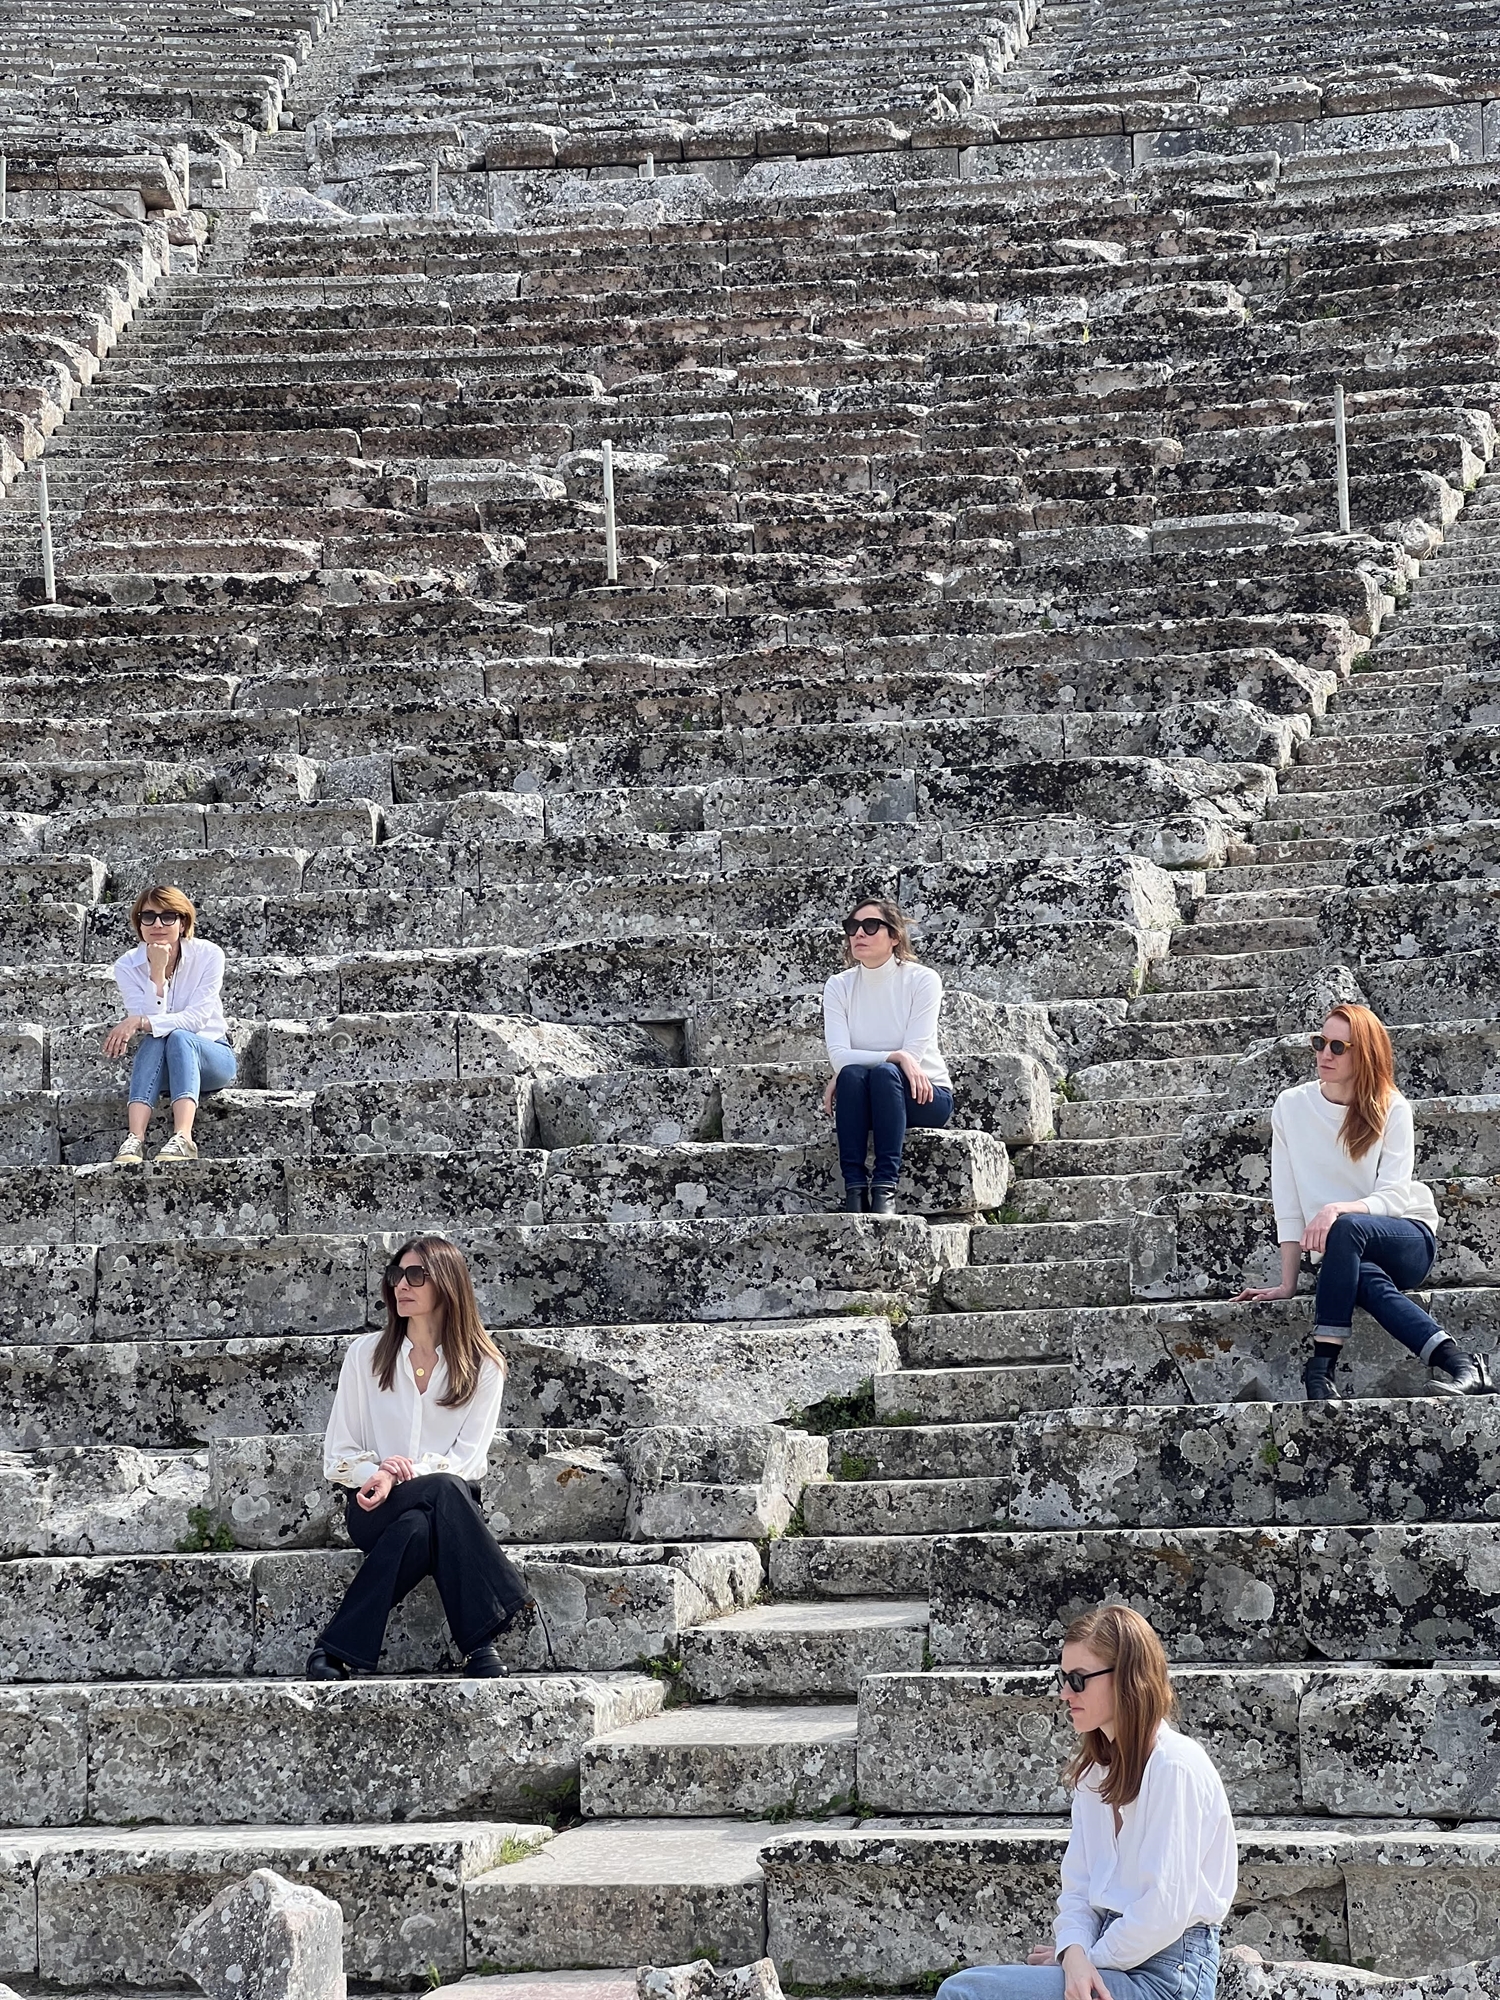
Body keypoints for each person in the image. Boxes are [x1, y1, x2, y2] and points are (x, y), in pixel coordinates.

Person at [935, 1605, 1234, 2000]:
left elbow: (1164, 1912)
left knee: (966, 1993)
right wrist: (1074, 1953)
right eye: (1063, 1678)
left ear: (1127, 1679)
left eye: (1078, 1680)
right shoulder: (1095, 1774)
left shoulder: (1175, 1766)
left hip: (1169, 1975)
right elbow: (1078, 1892)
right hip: (1110, 1959)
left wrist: (1081, 1960)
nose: (1064, 1693)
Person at [308, 1234, 533, 1680]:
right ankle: (487, 1628)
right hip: (374, 1505)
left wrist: (405, 1472)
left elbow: (469, 1460)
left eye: (416, 1275)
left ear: (447, 1284)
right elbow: (338, 1456)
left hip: (447, 1507)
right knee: (440, 1495)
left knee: (422, 1523)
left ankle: (333, 1648)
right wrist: (382, 1474)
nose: (401, 1286)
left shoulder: (483, 1364)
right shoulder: (366, 1356)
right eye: (396, 1276)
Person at [1234, 1005, 1483, 1401]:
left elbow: (1395, 1196)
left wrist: (1336, 1209)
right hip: (1341, 1253)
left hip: (1404, 1236)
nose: (1324, 1054)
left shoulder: (1391, 1107)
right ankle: (1461, 1364)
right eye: (1319, 1043)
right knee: (1361, 1274)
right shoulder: (1291, 1106)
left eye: (1338, 1046)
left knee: (1345, 1227)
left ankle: (1320, 1368)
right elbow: (1287, 1200)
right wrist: (1287, 1283)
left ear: (1364, 1053)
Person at [822, 898, 953, 1216]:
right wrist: (894, 1056)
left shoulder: (922, 980)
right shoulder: (839, 986)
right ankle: (854, 1190)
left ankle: (884, 1188)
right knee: (853, 1075)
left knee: (881, 1074)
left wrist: (890, 1061)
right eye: (852, 927)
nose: (859, 934)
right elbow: (840, 1057)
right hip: (866, 1095)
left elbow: (915, 1054)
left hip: (924, 1094)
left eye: (870, 926)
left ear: (895, 936)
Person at [104, 885, 236, 1164]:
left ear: (183, 921)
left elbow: (195, 1020)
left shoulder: (209, 955)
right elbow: (149, 1024)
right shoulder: (127, 965)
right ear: (138, 923)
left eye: (168, 916)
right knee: (156, 1038)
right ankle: (134, 1139)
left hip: (211, 1057)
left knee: (178, 1037)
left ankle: (184, 1138)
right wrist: (156, 973)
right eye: (148, 917)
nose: (158, 924)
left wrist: (141, 1020)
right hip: (162, 1068)